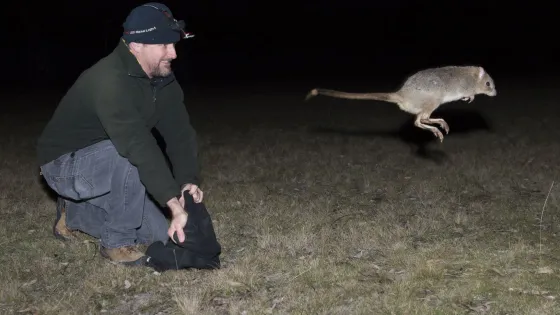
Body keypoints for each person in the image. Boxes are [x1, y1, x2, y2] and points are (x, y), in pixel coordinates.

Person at [36, 2, 202, 266]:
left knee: (158, 234)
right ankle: (116, 243)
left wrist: (186, 182)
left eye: (174, 44)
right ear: (137, 45)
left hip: (110, 161)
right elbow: (136, 144)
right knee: (130, 154)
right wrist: (173, 204)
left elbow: (180, 134)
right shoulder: (110, 80)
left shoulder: (162, 79)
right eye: (164, 45)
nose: (173, 53)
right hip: (63, 165)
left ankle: (74, 213)